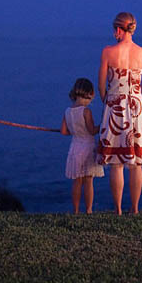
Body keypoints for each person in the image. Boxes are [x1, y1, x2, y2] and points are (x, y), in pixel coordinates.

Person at [97, 12, 142, 215]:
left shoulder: (108, 52)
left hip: (114, 108)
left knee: (116, 162)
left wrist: (109, 100)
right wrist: (136, 95)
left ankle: (119, 209)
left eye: (114, 29)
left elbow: (101, 86)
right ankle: (136, 208)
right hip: (137, 108)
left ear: (119, 29)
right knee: (136, 162)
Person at [60, 78, 105, 214]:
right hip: (88, 147)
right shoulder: (86, 111)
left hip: (75, 147)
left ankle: (75, 210)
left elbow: (63, 131)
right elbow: (91, 130)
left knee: (77, 181)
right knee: (88, 180)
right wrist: (103, 125)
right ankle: (89, 209)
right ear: (90, 93)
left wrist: (75, 131)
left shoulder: (68, 111)